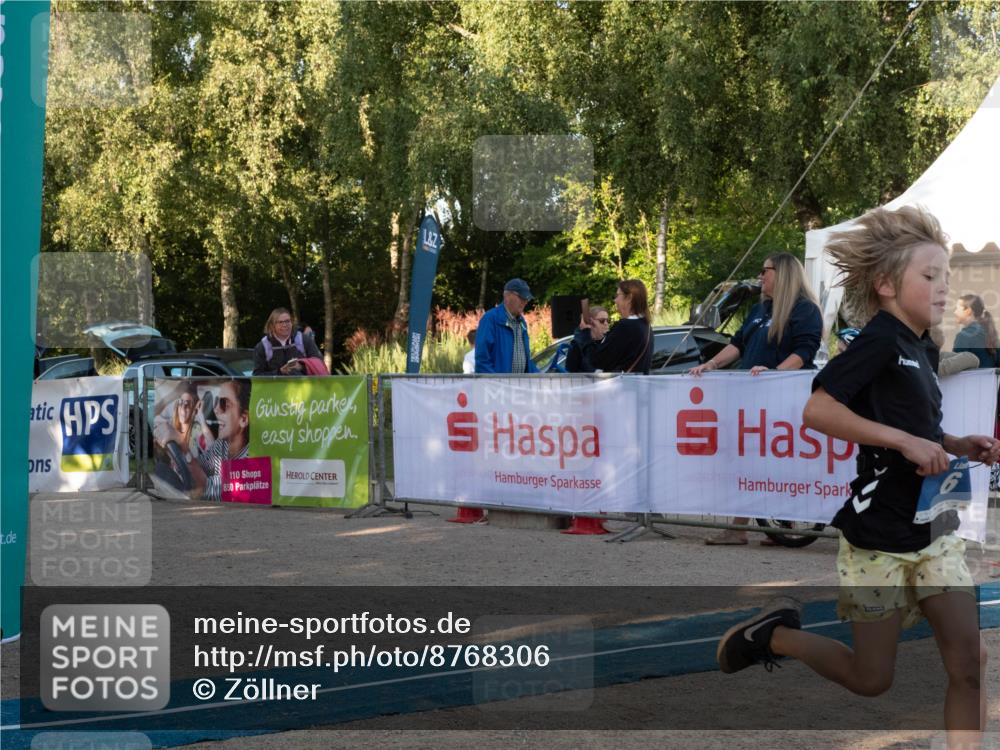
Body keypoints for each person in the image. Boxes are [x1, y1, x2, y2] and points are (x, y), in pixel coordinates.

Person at [716, 206, 999, 750]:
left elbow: (918, 427)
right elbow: (817, 410)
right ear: (886, 284)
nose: (943, 289)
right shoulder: (879, 340)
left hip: (933, 531)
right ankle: (774, 636)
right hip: (878, 540)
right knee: (873, 679)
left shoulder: (923, 344)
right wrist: (903, 441)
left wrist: (955, 444)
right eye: (930, 277)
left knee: (969, 660)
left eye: (946, 277)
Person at [689, 252, 823, 544]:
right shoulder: (761, 309)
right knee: (747, 460)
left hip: (781, 400)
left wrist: (775, 373)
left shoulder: (805, 309)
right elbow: (737, 345)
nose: (761, 276)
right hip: (750, 399)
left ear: (784, 274)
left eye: (766, 271)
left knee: (775, 462)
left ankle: (767, 526)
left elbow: (804, 352)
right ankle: (746, 527)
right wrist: (711, 364)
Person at [189, 379, 252, 502]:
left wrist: (184, 451)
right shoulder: (222, 445)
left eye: (224, 404)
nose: (216, 409)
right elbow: (203, 465)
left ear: (243, 419)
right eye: (216, 402)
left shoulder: (251, 457)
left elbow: (209, 488)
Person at [576, 282, 653, 374]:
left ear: (629, 298)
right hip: (637, 386)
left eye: (617, 295)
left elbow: (597, 361)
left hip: (623, 386)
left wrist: (585, 332)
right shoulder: (646, 326)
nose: (615, 300)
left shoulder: (626, 326)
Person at [475, 279, 540, 374]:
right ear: (507, 296)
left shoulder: (522, 322)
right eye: (522, 297)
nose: (525, 301)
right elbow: (482, 361)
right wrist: (497, 385)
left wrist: (542, 378)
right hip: (498, 387)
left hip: (518, 386)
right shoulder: (490, 319)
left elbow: (525, 360)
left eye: (527, 299)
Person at [253, 307, 322, 376]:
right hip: (276, 386)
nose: (285, 325)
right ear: (272, 325)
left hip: (303, 385)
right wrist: (280, 372)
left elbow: (320, 365)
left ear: (292, 322)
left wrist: (302, 367)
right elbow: (257, 375)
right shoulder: (263, 346)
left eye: (287, 321)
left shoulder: (303, 340)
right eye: (280, 322)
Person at [953, 293, 999, 368]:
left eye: (957, 309)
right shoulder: (990, 333)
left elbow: (956, 369)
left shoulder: (963, 336)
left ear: (968, 311)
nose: (955, 312)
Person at [565, 306, 610, 373]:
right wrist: (585, 332)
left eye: (608, 320)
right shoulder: (577, 343)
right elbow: (571, 367)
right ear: (591, 322)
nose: (606, 324)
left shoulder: (609, 341)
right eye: (602, 321)